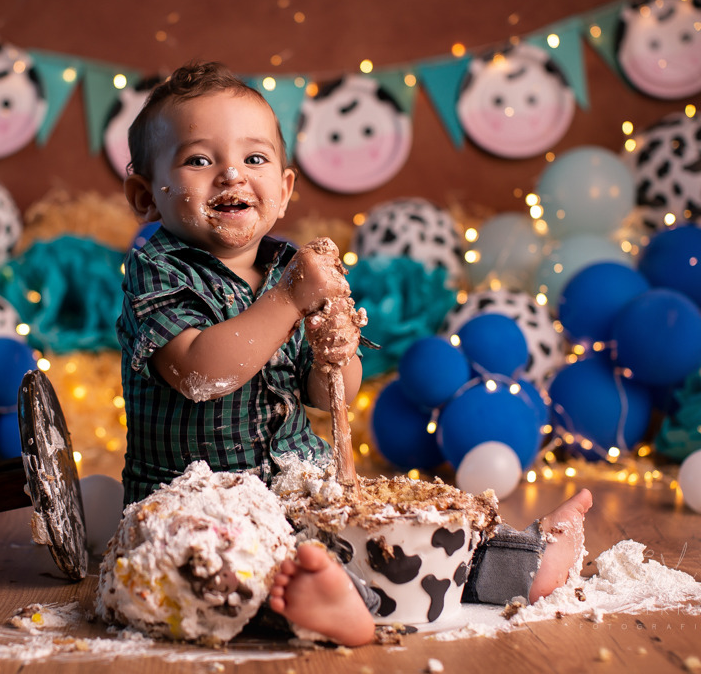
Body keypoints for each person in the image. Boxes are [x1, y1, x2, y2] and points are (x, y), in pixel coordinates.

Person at [116, 60, 593, 647]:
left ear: (285, 189)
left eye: (255, 159)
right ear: (145, 194)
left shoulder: (293, 265)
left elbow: (327, 398)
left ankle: (514, 564)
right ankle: (320, 606)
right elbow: (199, 374)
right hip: (198, 495)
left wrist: (333, 352)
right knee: (210, 567)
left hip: (297, 478)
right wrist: (291, 299)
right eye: (199, 160)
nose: (231, 175)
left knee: (397, 528)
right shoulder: (158, 270)